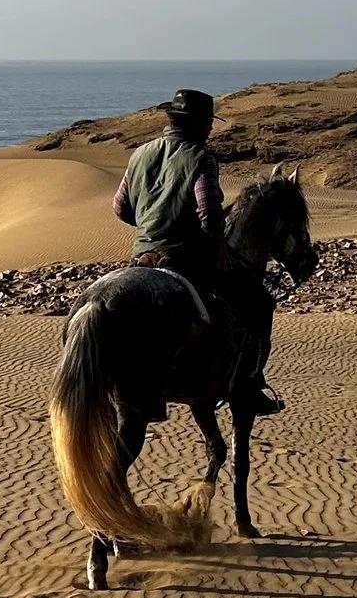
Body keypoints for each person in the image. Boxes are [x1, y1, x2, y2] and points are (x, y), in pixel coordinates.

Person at [113, 88, 283, 415]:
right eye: (207, 123)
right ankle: (250, 384)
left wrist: (151, 222)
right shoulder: (200, 157)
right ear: (192, 123)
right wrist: (218, 244)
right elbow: (208, 211)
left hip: (141, 257)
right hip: (185, 257)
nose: (210, 129)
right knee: (259, 302)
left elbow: (120, 208)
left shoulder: (140, 154)